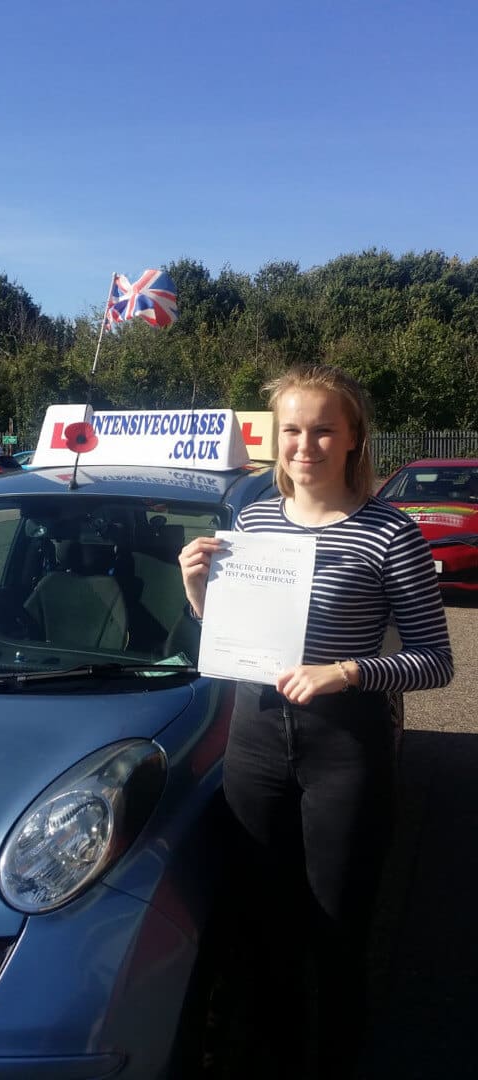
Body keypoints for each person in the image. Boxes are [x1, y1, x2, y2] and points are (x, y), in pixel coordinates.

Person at [179, 364, 453, 1079]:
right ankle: (272, 1060)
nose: (306, 445)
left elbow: (435, 660)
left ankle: (334, 1062)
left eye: (324, 429)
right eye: (292, 430)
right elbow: (233, 641)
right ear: (276, 439)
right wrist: (198, 593)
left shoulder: (391, 534)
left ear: (355, 437)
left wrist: (350, 670)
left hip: (345, 750)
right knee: (264, 928)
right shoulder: (253, 522)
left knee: (335, 931)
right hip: (255, 741)